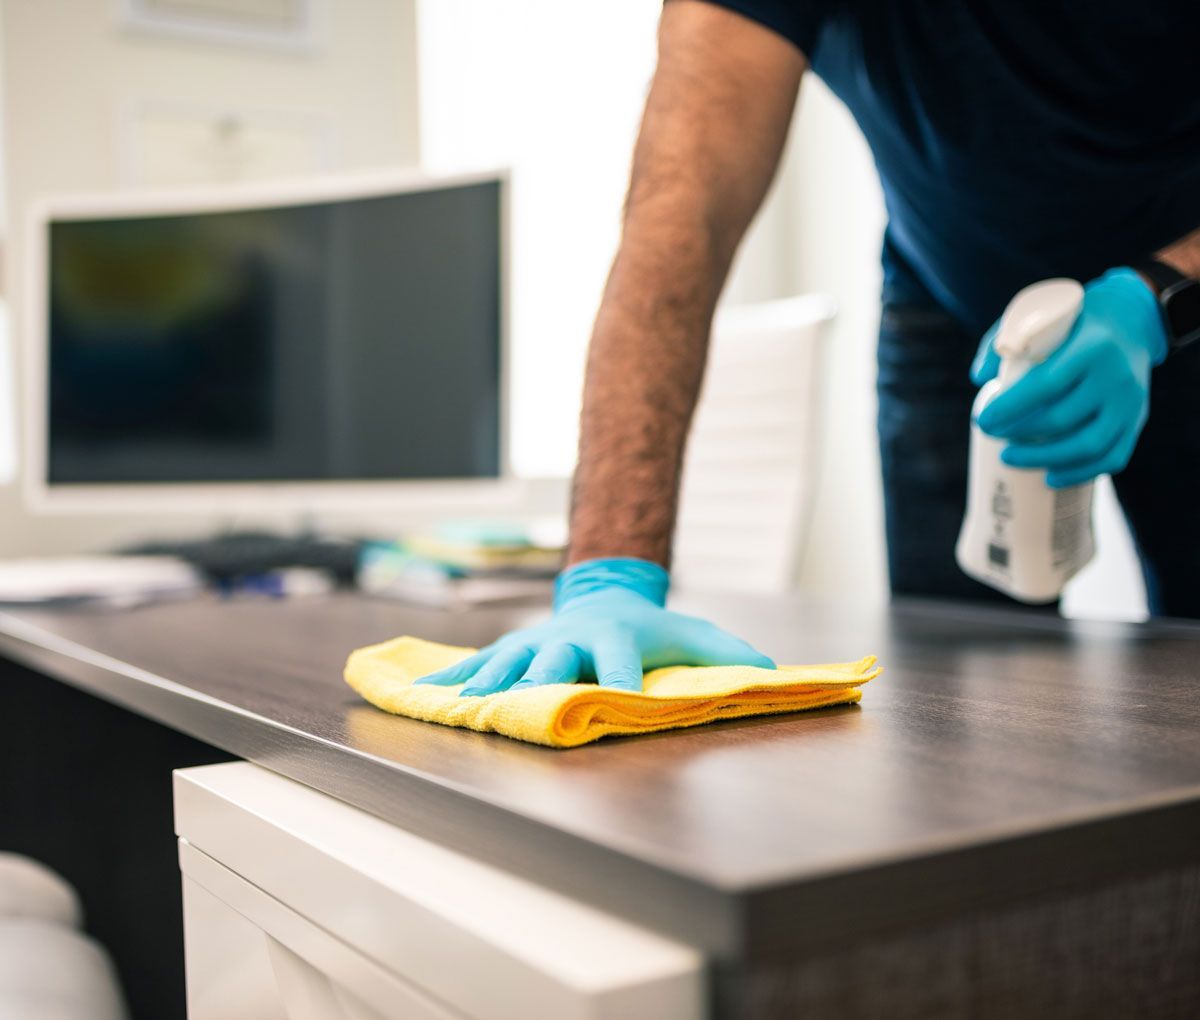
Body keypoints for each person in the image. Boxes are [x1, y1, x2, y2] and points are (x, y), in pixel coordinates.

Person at [419, 0, 1200, 696]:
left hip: (1179, 278)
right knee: (963, 696)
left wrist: (1158, 295)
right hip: (950, 295)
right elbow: (682, 215)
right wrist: (607, 575)